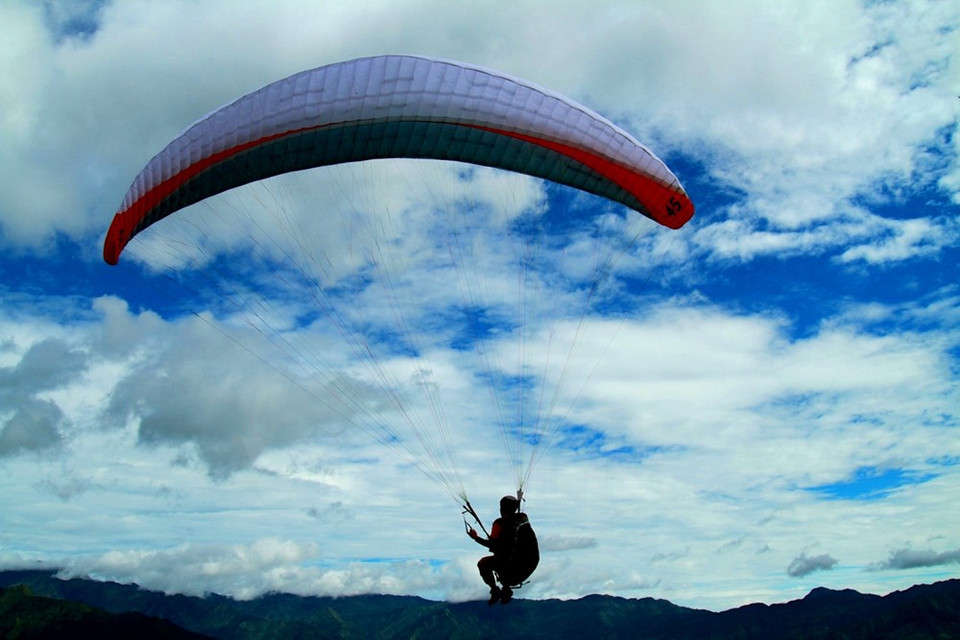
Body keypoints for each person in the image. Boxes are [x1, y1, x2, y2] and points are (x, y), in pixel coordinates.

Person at [467, 495, 540, 605]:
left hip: (512, 569)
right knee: (506, 555)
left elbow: (492, 544)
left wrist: (475, 537)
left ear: (501, 508)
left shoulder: (499, 524)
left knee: (483, 563)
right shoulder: (524, 518)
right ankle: (506, 589)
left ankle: (495, 590)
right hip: (529, 566)